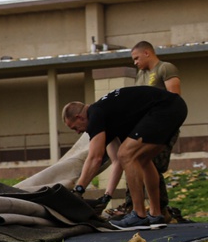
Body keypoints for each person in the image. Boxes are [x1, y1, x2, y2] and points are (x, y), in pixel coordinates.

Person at [63, 84, 187, 228]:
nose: (78, 132)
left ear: (79, 117)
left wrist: (78, 190)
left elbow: (95, 158)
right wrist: (107, 196)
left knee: (127, 154)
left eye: (75, 127)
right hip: (175, 108)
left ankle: (139, 214)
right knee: (143, 160)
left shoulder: (95, 113)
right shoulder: (111, 116)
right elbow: (117, 162)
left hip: (165, 108)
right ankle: (156, 214)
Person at [105, 42, 183, 219]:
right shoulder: (141, 75)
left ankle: (160, 209)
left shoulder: (165, 68)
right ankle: (135, 206)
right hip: (146, 127)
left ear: (147, 53)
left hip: (163, 126)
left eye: (136, 58)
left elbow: (175, 100)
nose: (135, 62)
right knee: (135, 161)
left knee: (153, 165)